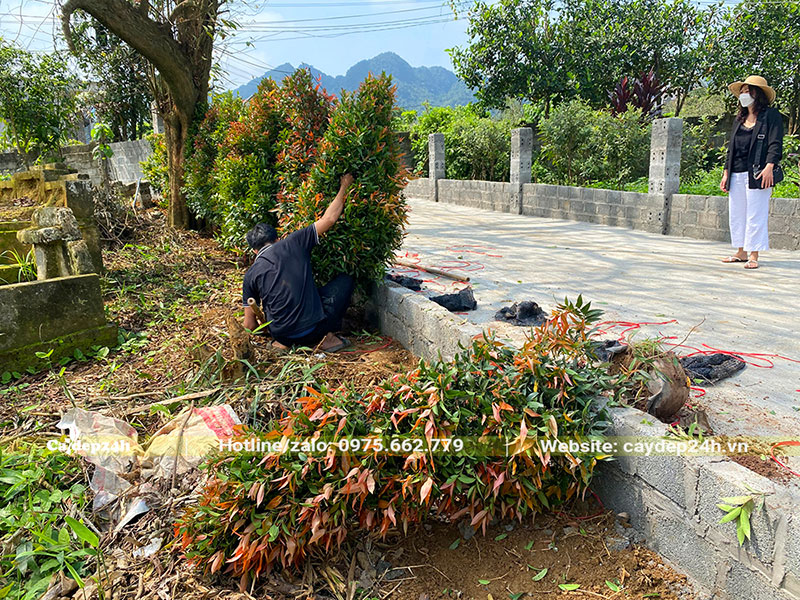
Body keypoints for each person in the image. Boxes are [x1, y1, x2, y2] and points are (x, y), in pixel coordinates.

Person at [242, 174, 355, 352]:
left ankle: (282, 345)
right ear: (277, 238)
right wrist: (344, 186)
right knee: (346, 280)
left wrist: (263, 328)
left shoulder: (250, 275)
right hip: (315, 330)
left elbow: (248, 325)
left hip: (282, 334)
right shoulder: (295, 241)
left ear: (254, 250)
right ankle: (327, 339)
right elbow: (329, 219)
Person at [720, 75, 784, 270]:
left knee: (755, 213)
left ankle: (754, 254)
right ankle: (741, 252)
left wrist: (769, 166)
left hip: (758, 172)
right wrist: (725, 172)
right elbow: (732, 147)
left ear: (759, 94)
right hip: (736, 172)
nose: (744, 94)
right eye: (742, 91)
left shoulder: (770, 116)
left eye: (748, 91)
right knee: (737, 213)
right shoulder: (739, 119)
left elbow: (775, 143)